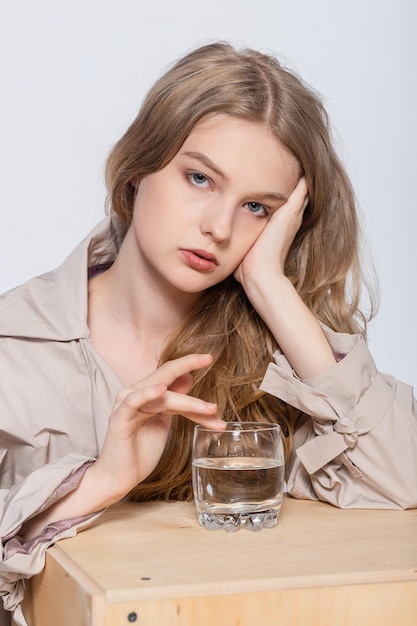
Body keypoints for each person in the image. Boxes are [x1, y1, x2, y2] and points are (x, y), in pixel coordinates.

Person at [1, 41, 416, 625]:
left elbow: (405, 476)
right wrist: (100, 482)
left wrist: (271, 286)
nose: (218, 227)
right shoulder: (14, 348)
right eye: (199, 178)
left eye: (257, 208)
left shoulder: (275, 360)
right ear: (140, 165)